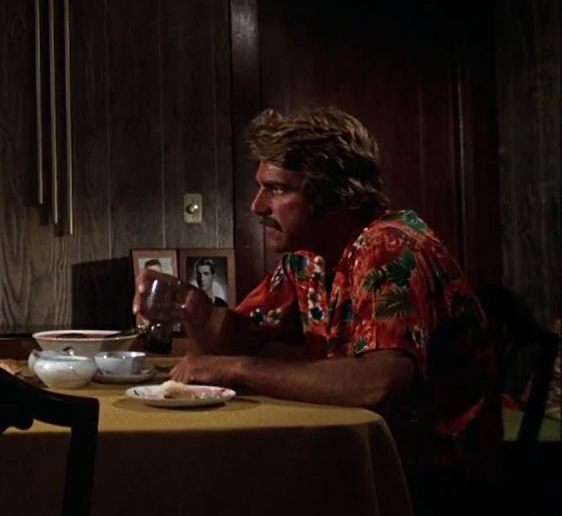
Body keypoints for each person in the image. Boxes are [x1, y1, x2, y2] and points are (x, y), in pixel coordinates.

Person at [133, 107, 499, 514]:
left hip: (427, 479)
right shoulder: (308, 258)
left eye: (277, 189)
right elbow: (240, 338)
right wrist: (192, 308)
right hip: (349, 452)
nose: (257, 205)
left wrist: (236, 368)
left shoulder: (388, 246)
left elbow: (378, 383)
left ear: (333, 193)